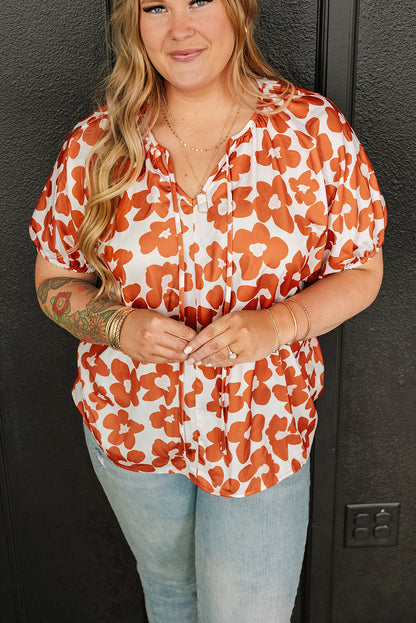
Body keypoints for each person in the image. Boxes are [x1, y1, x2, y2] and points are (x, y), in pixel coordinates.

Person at [30, 0, 386, 621]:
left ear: (240, 11)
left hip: (260, 429)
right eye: (156, 7)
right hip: (132, 426)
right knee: (169, 593)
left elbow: (362, 268)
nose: (180, 28)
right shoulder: (97, 142)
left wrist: (275, 324)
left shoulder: (311, 131)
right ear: (134, 24)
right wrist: (117, 325)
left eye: (199, 1)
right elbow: (54, 278)